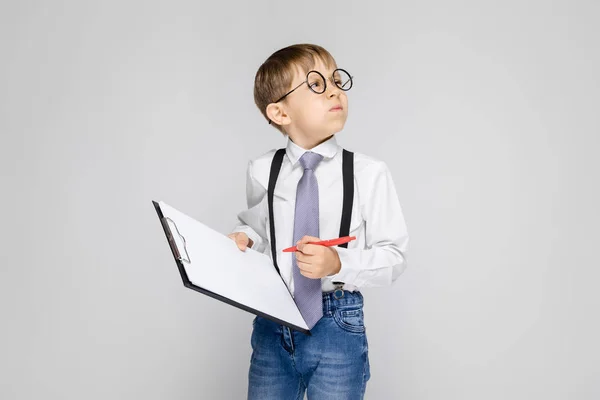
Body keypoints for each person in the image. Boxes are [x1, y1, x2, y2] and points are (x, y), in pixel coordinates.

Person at [227, 43, 409, 400]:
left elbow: (394, 256)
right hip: (272, 320)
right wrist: (244, 239)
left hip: (336, 323)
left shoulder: (367, 173)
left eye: (336, 79)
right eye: (315, 84)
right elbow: (261, 229)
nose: (334, 90)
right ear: (279, 112)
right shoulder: (263, 169)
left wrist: (339, 262)